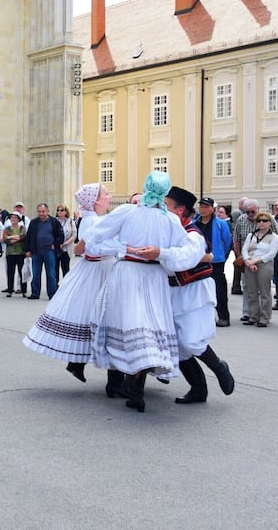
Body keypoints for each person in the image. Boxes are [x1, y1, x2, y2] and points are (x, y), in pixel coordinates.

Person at [84, 171, 192, 413]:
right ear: (165, 192)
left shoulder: (127, 211)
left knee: (124, 324)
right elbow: (186, 252)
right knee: (146, 328)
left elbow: (94, 239)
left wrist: (124, 248)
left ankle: (124, 385)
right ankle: (133, 388)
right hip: (153, 276)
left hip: (129, 273)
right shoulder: (170, 220)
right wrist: (161, 253)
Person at [23, 184, 120, 391]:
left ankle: (79, 363)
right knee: (105, 318)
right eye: (105, 194)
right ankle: (110, 379)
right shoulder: (93, 221)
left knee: (91, 316)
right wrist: (124, 247)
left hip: (99, 269)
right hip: (98, 270)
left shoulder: (96, 219)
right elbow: (92, 248)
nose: (109, 196)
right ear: (95, 200)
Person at [164, 187, 236, 405]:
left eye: (166, 205)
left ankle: (219, 366)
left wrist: (159, 253)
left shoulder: (192, 234)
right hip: (174, 290)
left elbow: (182, 260)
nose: (162, 209)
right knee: (178, 344)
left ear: (180, 210)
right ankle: (198, 389)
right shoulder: (171, 230)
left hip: (194, 290)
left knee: (192, 340)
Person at [195, 197, 233, 327]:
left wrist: (220, 254)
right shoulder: (195, 223)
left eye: (206, 207)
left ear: (212, 209)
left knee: (218, 289)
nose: (203, 209)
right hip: (199, 260)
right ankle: (204, 318)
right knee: (199, 288)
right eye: (201, 206)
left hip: (216, 261)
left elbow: (227, 241)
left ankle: (223, 316)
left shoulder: (220, 224)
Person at [241, 211, 278, 327]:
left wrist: (255, 261)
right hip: (250, 264)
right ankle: (253, 316)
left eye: (264, 221)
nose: (261, 223)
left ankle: (264, 317)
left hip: (264, 265)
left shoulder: (274, 237)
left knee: (264, 292)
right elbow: (244, 249)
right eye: (259, 221)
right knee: (251, 292)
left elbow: (271, 254)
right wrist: (248, 261)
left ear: (270, 223)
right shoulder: (251, 235)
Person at [24, 203, 64, 300]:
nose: (41, 214)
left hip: (49, 251)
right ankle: (35, 293)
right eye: (39, 212)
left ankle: (52, 294)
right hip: (36, 251)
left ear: (47, 211)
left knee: (51, 273)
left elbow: (61, 236)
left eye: (43, 211)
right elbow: (28, 237)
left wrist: (55, 244)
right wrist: (27, 250)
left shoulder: (54, 222)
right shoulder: (33, 222)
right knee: (36, 273)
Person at [2, 212, 27, 297]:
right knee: (10, 272)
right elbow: (5, 239)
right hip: (10, 253)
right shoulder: (7, 229)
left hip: (21, 253)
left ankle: (24, 291)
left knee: (22, 272)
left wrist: (11, 237)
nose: (13, 219)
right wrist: (17, 238)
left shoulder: (22, 228)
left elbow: (23, 236)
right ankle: (10, 290)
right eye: (12, 217)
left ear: (18, 219)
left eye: (15, 218)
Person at [54, 204, 76, 281]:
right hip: (56, 248)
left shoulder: (70, 221)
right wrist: (57, 243)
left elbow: (74, 235)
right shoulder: (54, 221)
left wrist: (65, 243)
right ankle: (55, 285)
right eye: (58, 210)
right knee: (55, 269)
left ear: (65, 212)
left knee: (65, 269)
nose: (59, 212)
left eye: (61, 210)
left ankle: (66, 285)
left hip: (66, 248)